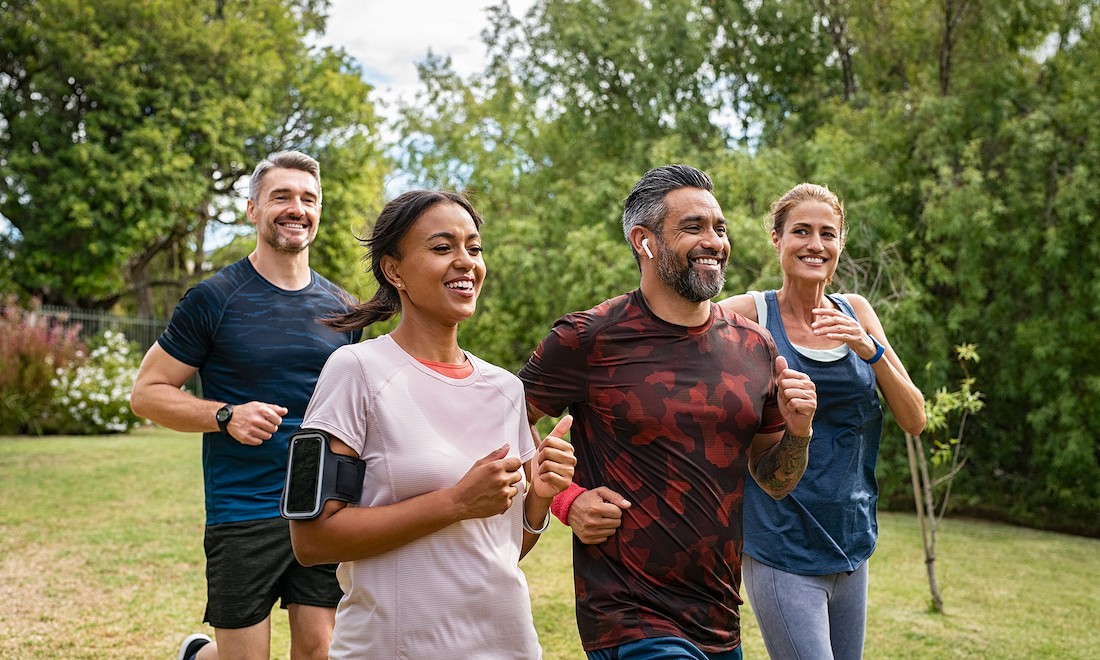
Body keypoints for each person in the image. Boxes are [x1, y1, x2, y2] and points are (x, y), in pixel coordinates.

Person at [518, 164, 818, 660]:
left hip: (719, 617)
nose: (714, 241)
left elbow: (775, 480)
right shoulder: (588, 337)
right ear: (645, 241)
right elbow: (502, 420)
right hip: (627, 613)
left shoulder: (755, 346)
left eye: (719, 228)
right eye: (693, 227)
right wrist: (567, 500)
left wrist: (800, 432)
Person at [287, 189, 577, 659]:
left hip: (507, 645)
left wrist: (538, 500)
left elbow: (497, 549)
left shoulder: (506, 389)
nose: (466, 262)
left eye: (474, 248)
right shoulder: (355, 370)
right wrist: (456, 501)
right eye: (443, 248)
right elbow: (312, 540)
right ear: (394, 269)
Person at [130, 151, 362, 660]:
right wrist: (225, 416)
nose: (296, 208)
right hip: (243, 507)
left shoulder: (344, 310)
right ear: (253, 208)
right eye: (281, 196)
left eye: (308, 199)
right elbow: (147, 393)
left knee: (320, 650)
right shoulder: (214, 299)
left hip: (321, 504)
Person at [718, 182, 926, 660]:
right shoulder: (749, 315)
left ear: (840, 244)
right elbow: (677, 342)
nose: (815, 244)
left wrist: (869, 350)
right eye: (801, 231)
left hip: (852, 541)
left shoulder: (858, 313)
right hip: (781, 545)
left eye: (827, 234)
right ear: (777, 239)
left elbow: (914, 418)